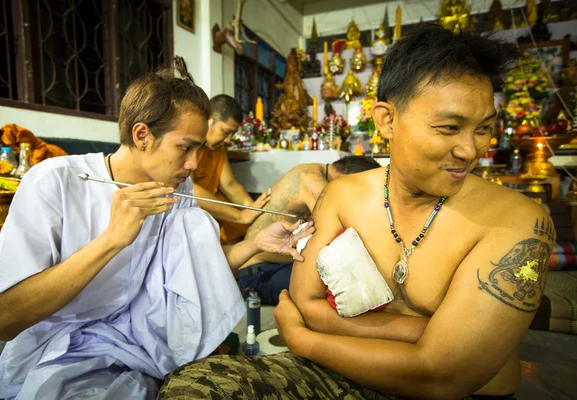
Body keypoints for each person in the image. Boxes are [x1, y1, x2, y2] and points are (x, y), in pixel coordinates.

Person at [157, 25, 555, 399]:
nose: (471, 150)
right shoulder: (342, 195)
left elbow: (443, 374)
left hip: (457, 393)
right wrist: (426, 331)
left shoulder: (519, 222)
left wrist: (305, 340)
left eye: (484, 128)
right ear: (386, 120)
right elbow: (304, 301)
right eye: (449, 128)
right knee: (191, 386)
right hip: (337, 370)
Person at [0, 57, 313, 400]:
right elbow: (0, 321)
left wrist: (255, 243)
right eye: (185, 147)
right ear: (142, 135)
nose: (194, 164)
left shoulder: (174, 189)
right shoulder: (55, 183)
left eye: (198, 149)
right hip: (56, 351)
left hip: (139, 340)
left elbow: (196, 267)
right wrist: (111, 240)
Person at [237, 155, 379, 305]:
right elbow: (339, 230)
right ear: (342, 178)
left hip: (278, 263)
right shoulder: (312, 181)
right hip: (257, 273)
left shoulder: (316, 173)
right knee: (342, 289)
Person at [192, 94, 265, 244]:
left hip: (212, 206)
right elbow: (190, 191)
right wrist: (240, 216)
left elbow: (230, 185)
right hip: (192, 209)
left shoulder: (217, 149)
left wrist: (255, 210)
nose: (228, 140)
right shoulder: (189, 146)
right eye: (226, 132)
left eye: (232, 134)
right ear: (208, 120)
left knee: (252, 228)